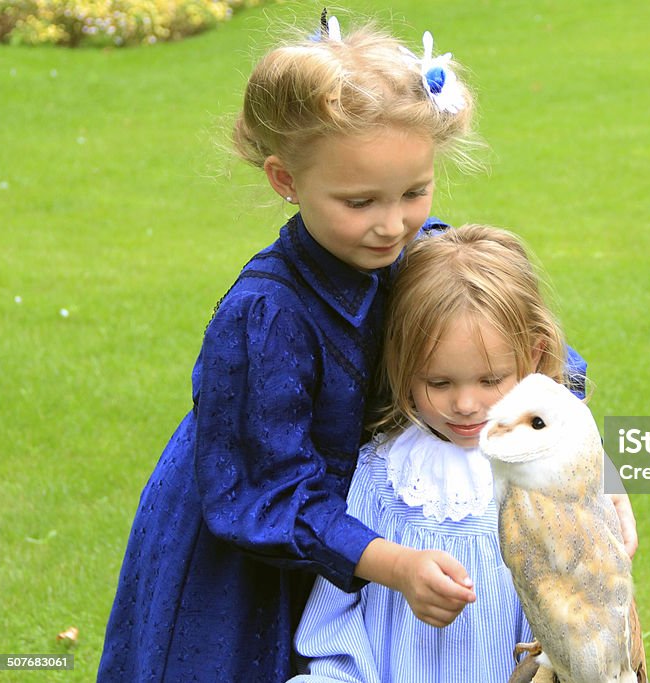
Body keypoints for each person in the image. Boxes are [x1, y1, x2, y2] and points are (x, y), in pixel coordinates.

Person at [98, 14, 487, 681]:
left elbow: (515, 345)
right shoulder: (267, 316)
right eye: (360, 201)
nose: (392, 223)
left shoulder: (422, 256)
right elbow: (268, 494)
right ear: (285, 180)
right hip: (251, 559)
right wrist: (392, 562)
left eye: (415, 192)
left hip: (368, 533)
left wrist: (585, 464)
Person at [290, 225, 586, 682]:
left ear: (534, 355)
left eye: (490, 380)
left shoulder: (548, 475)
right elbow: (336, 614)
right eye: (439, 382)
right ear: (400, 365)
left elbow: (575, 605)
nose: (466, 405)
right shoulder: (382, 475)